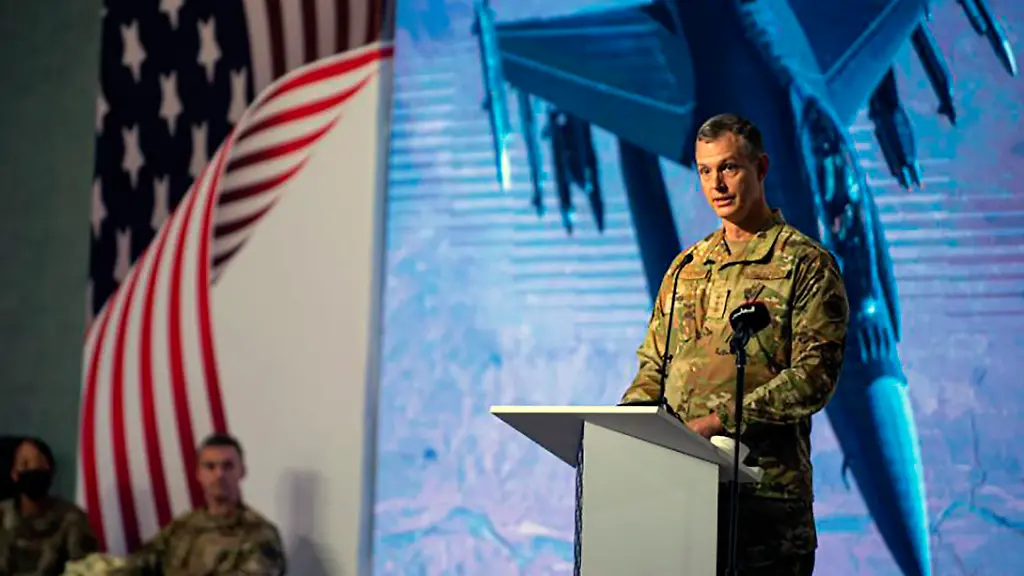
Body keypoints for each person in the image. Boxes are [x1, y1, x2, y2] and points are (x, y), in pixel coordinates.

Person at [619, 113, 850, 575]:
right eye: (705, 171)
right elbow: (653, 367)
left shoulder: (805, 266)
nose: (716, 184)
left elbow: (812, 379)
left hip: (765, 515)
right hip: (684, 503)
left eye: (729, 167)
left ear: (760, 168)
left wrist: (718, 421)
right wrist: (629, 431)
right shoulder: (686, 268)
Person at [111, 433, 286, 575]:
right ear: (198, 474)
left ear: (242, 472)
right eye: (210, 467)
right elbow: (140, 562)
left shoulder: (259, 534)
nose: (219, 474)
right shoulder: (182, 527)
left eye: (228, 466)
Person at [0, 436, 98, 575]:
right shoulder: (2, 515)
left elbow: (86, 569)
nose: (34, 469)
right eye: (25, 464)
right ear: (14, 474)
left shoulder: (72, 519)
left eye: (40, 465)